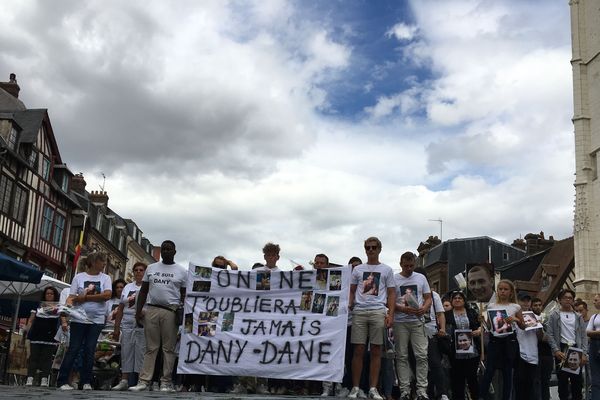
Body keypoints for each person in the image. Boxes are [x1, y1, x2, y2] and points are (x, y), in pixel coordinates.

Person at [129, 240, 187, 392]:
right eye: (163, 249)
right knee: (150, 347)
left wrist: (183, 314)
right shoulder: (151, 268)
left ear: (175, 252)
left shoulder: (182, 271)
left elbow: (184, 295)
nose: (166, 251)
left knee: (169, 349)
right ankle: (144, 381)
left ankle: (166, 382)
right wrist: (138, 311)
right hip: (152, 310)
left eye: (169, 249)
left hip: (171, 311)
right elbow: (143, 291)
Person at [348, 237, 395, 400]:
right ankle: (355, 387)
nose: (371, 250)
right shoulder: (357, 269)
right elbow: (352, 290)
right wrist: (349, 303)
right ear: (365, 249)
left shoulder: (387, 269)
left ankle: (373, 388)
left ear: (379, 249)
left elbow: (391, 293)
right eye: (368, 247)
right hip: (360, 311)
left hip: (378, 311)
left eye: (374, 247)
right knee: (358, 350)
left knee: (376, 351)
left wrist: (390, 314)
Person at [56, 252, 112, 391]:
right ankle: (62, 380)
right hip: (78, 318)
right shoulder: (78, 277)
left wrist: (85, 298)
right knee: (73, 348)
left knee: (90, 349)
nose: (104, 264)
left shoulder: (105, 278)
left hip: (97, 319)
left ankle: (85, 381)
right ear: (93, 262)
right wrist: (66, 307)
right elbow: (72, 297)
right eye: (102, 261)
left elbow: (107, 295)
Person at [393, 253, 431, 400]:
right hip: (400, 321)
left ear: (414, 264)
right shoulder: (395, 279)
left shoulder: (421, 278)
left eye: (411, 266)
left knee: (422, 355)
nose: (408, 269)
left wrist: (424, 307)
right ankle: (405, 390)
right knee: (401, 356)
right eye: (405, 266)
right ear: (400, 264)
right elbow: (388, 300)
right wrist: (401, 308)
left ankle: (422, 390)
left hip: (417, 321)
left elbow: (428, 298)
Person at [479, 279, 525, 400]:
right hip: (495, 341)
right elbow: (489, 327)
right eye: (500, 289)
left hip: (510, 341)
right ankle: (481, 397)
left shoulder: (516, 307)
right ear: (497, 291)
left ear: (510, 292)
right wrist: (482, 321)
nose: (503, 291)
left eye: (506, 289)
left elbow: (523, 326)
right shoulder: (491, 306)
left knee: (507, 372)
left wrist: (515, 319)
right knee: (489, 371)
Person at [547, 288, 588, 400]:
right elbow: (549, 334)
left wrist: (584, 353)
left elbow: (583, 336)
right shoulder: (554, 315)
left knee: (577, 381)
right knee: (563, 381)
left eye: (570, 298)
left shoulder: (578, 316)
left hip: (576, 348)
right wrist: (556, 350)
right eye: (565, 297)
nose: (568, 300)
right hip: (561, 348)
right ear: (560, 300)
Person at [111, 262, 147, 390]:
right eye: (136, 270)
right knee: (126, 351)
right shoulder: (127, 288)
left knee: (140, 352)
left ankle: (140, 380)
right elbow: (120, 308)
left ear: (145, 272)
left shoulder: (148, 287)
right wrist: (116, 327)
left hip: (142, 323)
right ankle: (124, 379)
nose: (138, 272)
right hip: (127, 322)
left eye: (141, 270)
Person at [414, 266, 448, 400]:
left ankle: (442, 393)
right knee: (415, 363)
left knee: (435, 363)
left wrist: (442, 329)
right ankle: (420, 392)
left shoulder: (434, 295)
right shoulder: (409, 293)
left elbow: (440, 314)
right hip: (413, 331)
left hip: (430, 332)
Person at [444, 290, 480, 400]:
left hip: (472, 352)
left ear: (464, 301)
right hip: (455, 353)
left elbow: (480, 326)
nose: (457, 300)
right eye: (455, 298)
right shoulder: (446, 315)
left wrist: (478, 331)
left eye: (460, 298)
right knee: (457, 380)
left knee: (472, 379)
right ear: (451, 301)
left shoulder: (472, 312)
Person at [24, 286, 60, 387]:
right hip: (36, 334)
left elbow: (61, 321)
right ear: (44, 294)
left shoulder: (58, 307)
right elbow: (31, 319)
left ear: (55, 295)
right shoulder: (38, 305)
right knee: (33, 357)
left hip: (50, 335)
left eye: (51, 294)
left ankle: (44, 379)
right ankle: (30, 378)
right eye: (47, 293)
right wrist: (27, 330)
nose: (49, 295)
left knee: (47, 358)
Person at [514, 293, 541, 400]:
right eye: (523, 300)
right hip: (519, 354)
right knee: (519, 385)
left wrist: (539, 326)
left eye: (528, 301)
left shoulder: (537, 317)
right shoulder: (513, 315)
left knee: (531, 385)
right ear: (518, 302)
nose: (525, 303)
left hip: (533, 355)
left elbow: (540, 337)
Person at [532, 297, 554, 400]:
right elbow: (539, 337)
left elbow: (550, 337)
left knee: (546, 380)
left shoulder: (548, 318)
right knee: (536, 380)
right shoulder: (529, 319)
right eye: (535, 305)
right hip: (535, 353)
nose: (537, 307)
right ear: (531, 307)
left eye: (539, 305)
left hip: (547, 353)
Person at [586, 293, 600, 400]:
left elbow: (591, 332)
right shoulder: (594, 316)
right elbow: (588, 332)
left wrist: (594, 332)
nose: (594, 302)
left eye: (596, 300)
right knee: (595, 377)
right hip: (594, 346)